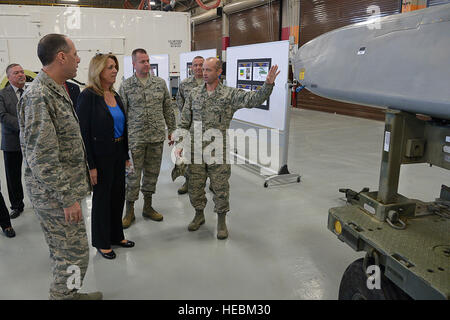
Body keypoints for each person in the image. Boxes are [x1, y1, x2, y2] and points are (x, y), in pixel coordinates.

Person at [17, 33, 102, 300]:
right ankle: (63, 296)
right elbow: (41, 157)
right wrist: (67, 199)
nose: (79, 59)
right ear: (61, 56)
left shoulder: (56, 89)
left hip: (62, 191)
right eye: (75, 54)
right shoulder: (39, 95)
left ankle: (71, 294)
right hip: (55, 197)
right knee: (72, 255)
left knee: (66, 254)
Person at [177, 57, 279, 240]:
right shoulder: (193, 94)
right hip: (195, 149)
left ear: (218, 72)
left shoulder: (229, 95)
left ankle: (221, 220)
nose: (204, 72)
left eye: (208, 70)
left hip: (218, 150)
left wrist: (268, 85)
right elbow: (184, 120)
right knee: (195, 185)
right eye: (203, 69)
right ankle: (199, 214)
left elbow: (253, 99)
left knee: (220, 186)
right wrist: (179, 142)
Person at [76, 53, 135, 260]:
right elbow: (83, 135)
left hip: (118, 153)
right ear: (98, 70)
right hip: (100, 157)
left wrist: (126, 155)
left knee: (117, 196)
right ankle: (101, 242)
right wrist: (90, 165)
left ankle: (116, 235)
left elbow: (122, 127)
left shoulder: (115, 94)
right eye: (110, 67)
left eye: (115, 66)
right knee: (102, 199)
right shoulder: (88, 96)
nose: (114, 70)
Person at [119, 48, 176, 229]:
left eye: (147, 60)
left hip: (156, 137)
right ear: (134, 64)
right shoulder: (126, 86)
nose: (146, 64)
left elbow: (168, 107)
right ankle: (129, 210)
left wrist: (172, 129)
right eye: (142, 61)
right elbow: (122, 114)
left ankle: (148, 206)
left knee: (152, 174)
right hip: (135, 138)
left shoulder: (159, 83)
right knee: (132, 176)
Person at [175, 56, 204, 195]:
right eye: (195, 65)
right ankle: (188, 181)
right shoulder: (185, 84)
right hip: (190, 126)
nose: (198, 68)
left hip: (208, 127)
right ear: (191, 67)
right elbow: (179, 102)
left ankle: (212, 182)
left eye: (201, 65)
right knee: (188, 155)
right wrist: (188, 117)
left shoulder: (211, 82)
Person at [0, 64, 26, 219]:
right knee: (13, 176)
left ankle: (39, 201)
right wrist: (23, 126)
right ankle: (17, 205)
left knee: (36, 174)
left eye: (22, 72)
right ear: (9, 77)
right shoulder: (2, 94)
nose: (21, 75)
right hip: (12, 142)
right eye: (16, 73)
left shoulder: (30, 92)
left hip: (32, 142)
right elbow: (2, 115)